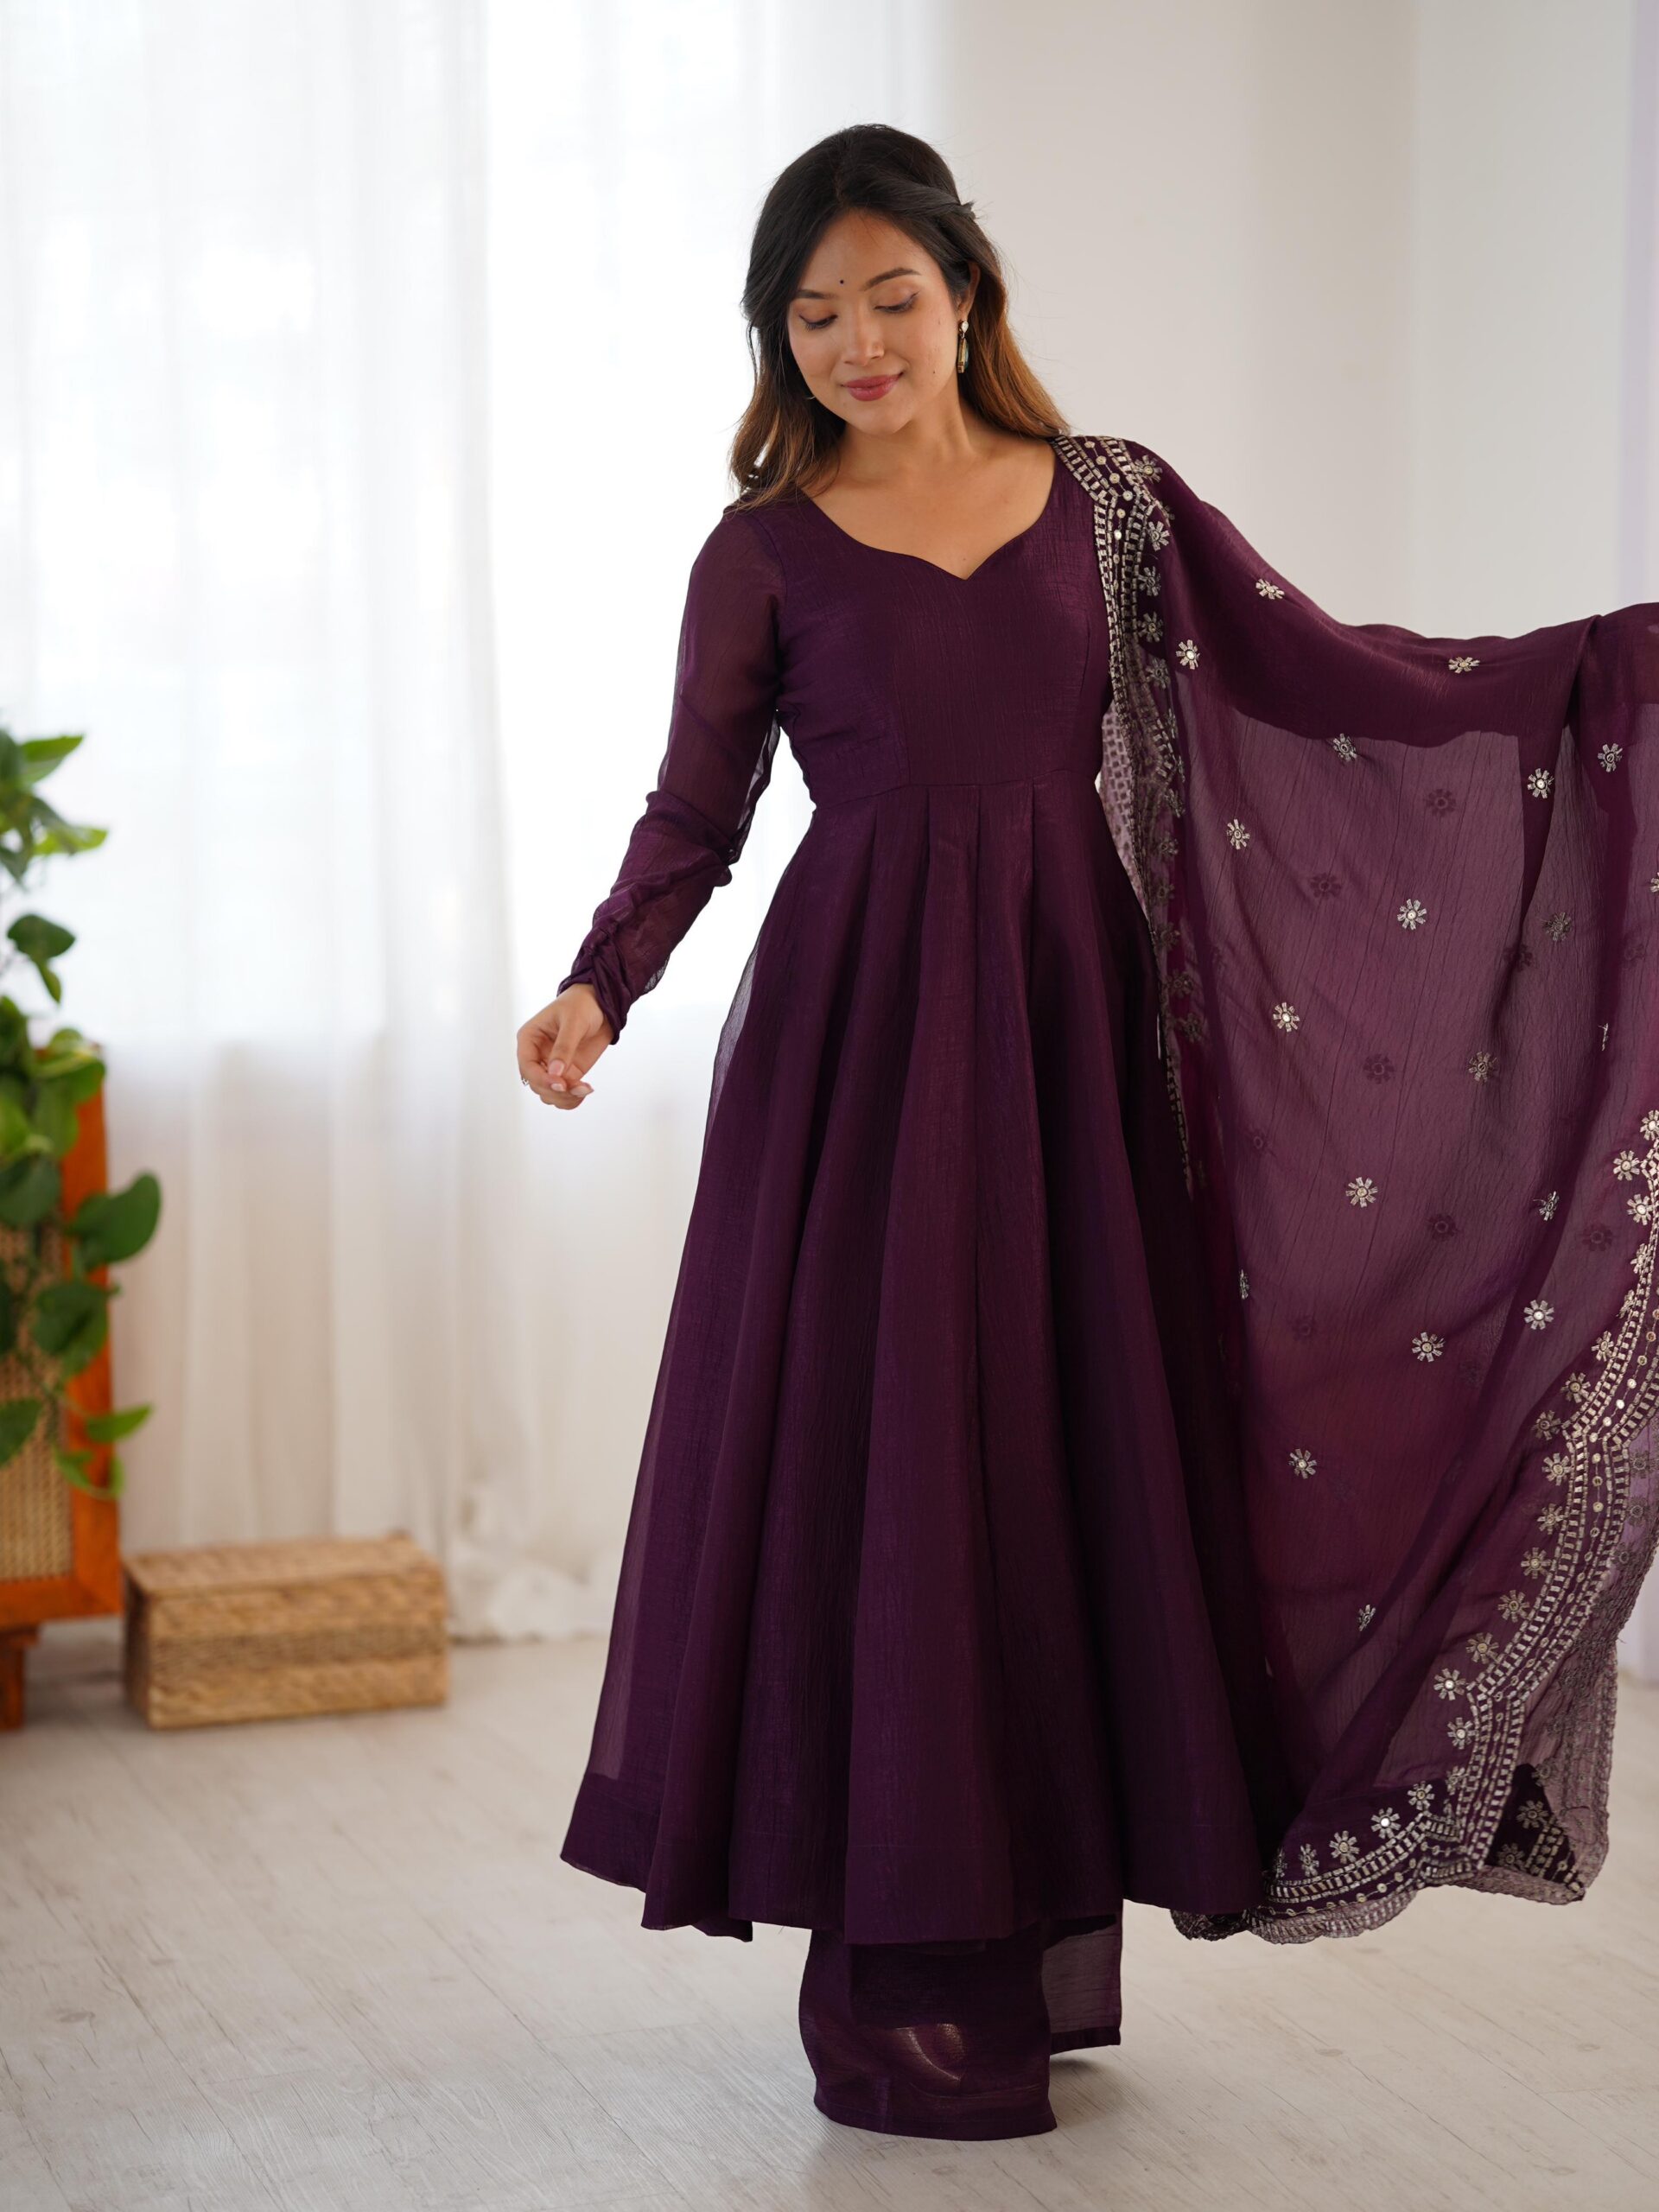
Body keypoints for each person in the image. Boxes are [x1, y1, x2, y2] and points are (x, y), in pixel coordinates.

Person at [517, 123, 1659, 2142]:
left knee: (1040, 1463)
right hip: (858, 1059)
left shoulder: (1107, 505)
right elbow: (696, 811)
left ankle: (1023, 1922)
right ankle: (890, 1977)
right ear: (778, 342)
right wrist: (600, 982)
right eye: (814, 313)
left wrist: (1606, 670)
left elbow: (1330, 674)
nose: (860, 341)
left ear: (967, 294)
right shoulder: (762, 551)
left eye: (892, 294)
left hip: (1066, 1043)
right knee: (893, 1473)